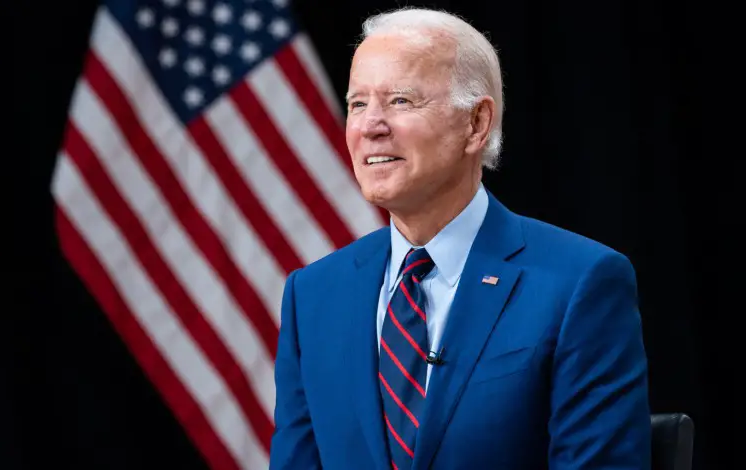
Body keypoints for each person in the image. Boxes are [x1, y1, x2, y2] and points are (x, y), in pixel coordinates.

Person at [269, 7, 651, 470]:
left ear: (476, 124)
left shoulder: (579, 285)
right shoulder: (312, 296)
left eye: (401, 101)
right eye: (357, 104)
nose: (370, 126)